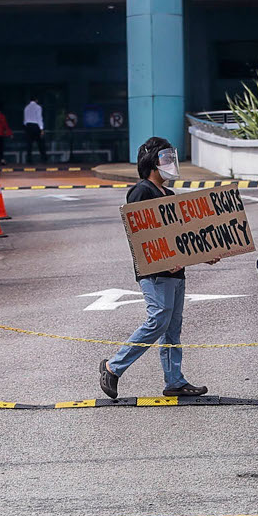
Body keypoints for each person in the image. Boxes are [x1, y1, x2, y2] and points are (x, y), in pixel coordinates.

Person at [99, 137, 208, 399]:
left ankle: (175, 381)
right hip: (155, 272)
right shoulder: (141, 192)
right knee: (158, 319)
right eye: (165, 159)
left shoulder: (168, 195)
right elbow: (138, 234)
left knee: (172, 327)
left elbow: (178, 235)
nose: (171, 164)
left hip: (176, 272)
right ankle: (113, 367)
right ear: (151, 163)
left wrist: (205, 253)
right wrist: (163, 261)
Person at [23, 97, 47, 163]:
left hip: (28, 126)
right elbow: (39, 118)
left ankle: (29, 159)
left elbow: (25, 120)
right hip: (36, 126)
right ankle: (44, 158)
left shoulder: (26, 107)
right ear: (36, 100)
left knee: (29, 144)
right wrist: (41, 128)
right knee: (40, 142)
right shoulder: (38, 107)